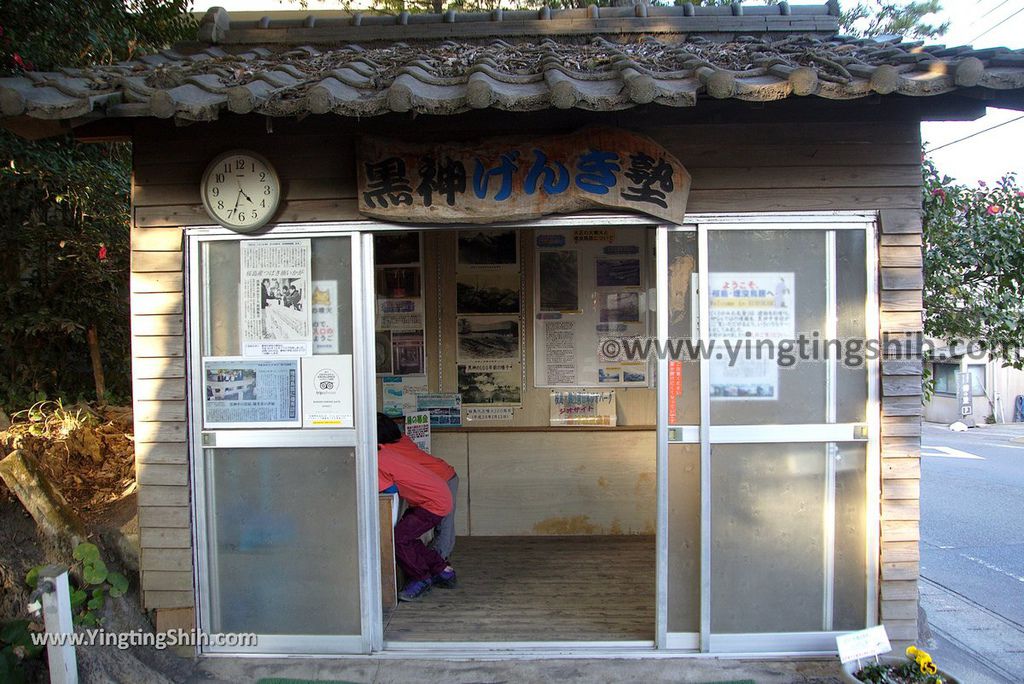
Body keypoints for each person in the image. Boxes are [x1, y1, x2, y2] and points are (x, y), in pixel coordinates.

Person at [377, 413, 456, 601]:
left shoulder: (378, 458)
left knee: (398, 539)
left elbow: (389, 494)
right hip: (436, 494)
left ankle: (421, 578)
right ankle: (442, 570)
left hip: (432, 502)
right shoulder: (386, 449)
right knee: (407, 537)